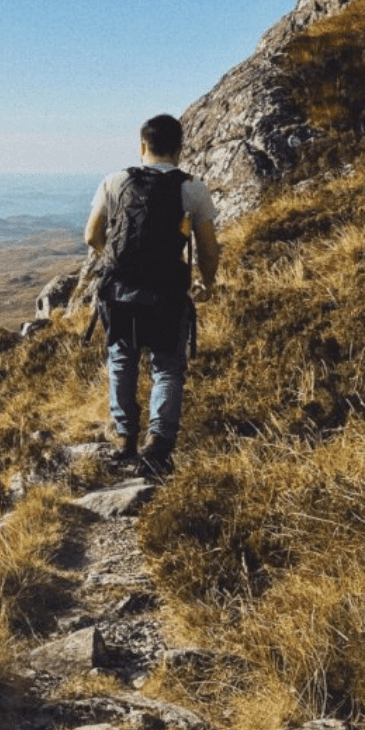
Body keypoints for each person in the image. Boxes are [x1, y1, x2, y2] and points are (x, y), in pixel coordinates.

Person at [83, 114, 220, 478]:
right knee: (167, 368)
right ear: (179, 149)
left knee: (122, 360)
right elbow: (207, 248)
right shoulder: (192, 187)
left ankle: (125, 440)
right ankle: (158, 448)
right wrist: (208, 282)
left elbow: (91, 235)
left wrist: (112, 263)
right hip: (167, 294)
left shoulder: (114, 181)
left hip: (120, 293)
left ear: (141, 146)